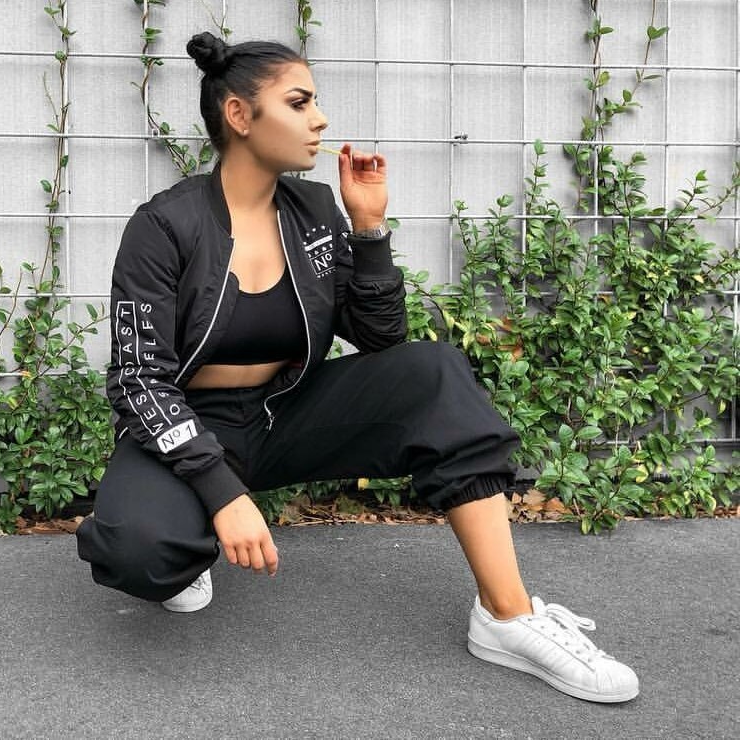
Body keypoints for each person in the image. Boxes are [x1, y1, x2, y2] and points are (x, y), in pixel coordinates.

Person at [76, 31, 639, 704]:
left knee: (433, 372)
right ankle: (186, 535)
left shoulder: (314, 213)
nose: (319, 119)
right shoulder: (165, 226)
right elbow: (137, 379)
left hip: (285, 414)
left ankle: (507, 615)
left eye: (315, 102)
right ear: (239, 115)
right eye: (299, 103)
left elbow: (381, 339)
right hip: (191, 425)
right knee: (140, 551)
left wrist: (368, 230)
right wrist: (221, 493)